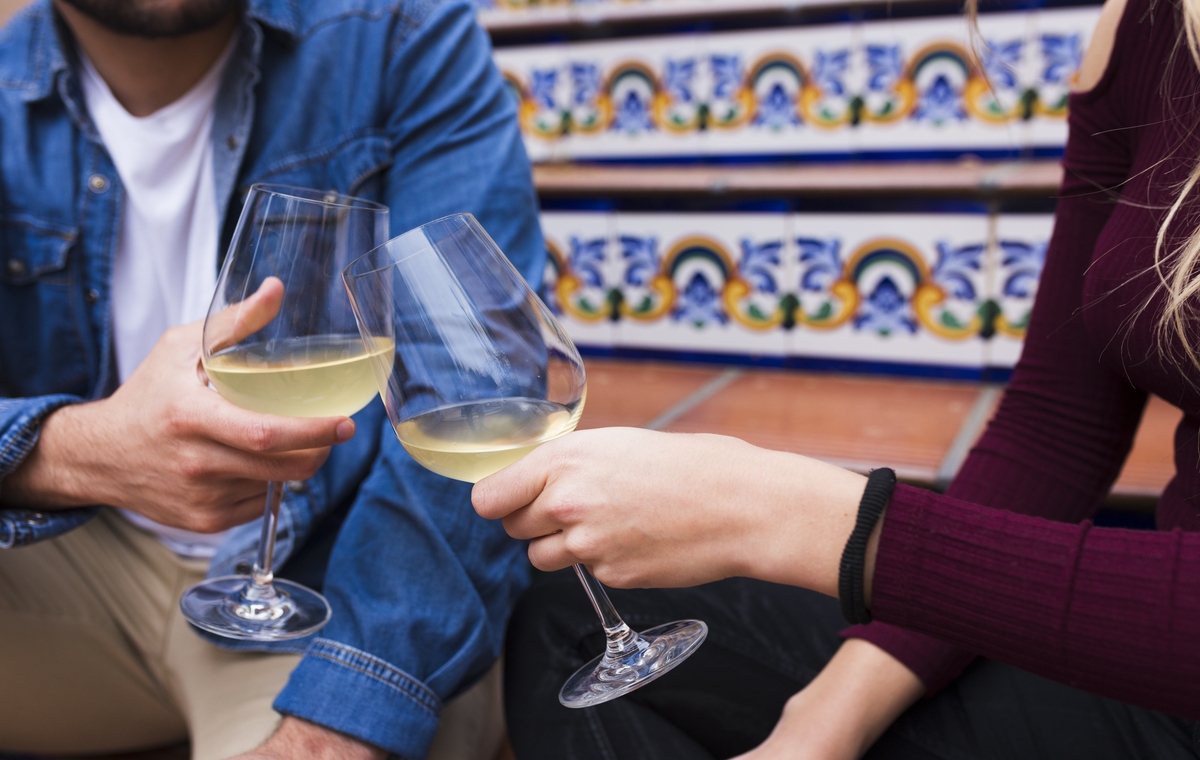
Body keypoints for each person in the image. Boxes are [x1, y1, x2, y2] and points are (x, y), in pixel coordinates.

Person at [474, 0, 1200, 756]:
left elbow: (816, 525)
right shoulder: (1142, 28)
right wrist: (820, 725)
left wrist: (791, 518)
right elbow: (1057, 431)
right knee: (570, 625)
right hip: (1151, 668)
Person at [0, 1, 542, 759]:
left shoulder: (399, 34)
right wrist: (73, 452)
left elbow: (481, 400)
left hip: (335, 590)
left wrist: (336, 726)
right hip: (78, 568)